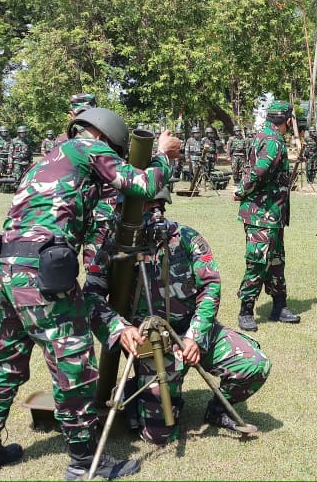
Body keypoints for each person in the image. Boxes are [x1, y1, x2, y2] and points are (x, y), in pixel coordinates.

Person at [0, 107, 181, 480]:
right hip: (42, 274)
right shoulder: (87, 147)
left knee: (5, 362)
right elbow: (144, 185)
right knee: (73, 367)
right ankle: (86, 463)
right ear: (105, 138)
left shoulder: (49, 159)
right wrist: (164, 153)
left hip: (7, 268)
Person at [87, 189, 271, 443]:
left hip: (193, 330)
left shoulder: (186, 238)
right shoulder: (112, 247)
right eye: (125, 208)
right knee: (160, 436)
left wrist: (196, 335)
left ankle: (217, 410)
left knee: (254, 365)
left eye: (150, 206)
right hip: (150, 343)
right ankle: (135, 391)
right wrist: (120, 329)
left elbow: (210, 286)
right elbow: (91, 296)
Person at [234, 100, 301, 331]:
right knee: (257, 262)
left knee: (276, 261)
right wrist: (241, 189)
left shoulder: (263, 135)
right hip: (262, 214)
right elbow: (260, 169)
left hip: (272, 214)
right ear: (288, 121)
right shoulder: (273, 140)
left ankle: (279, 306)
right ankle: (246, 310)